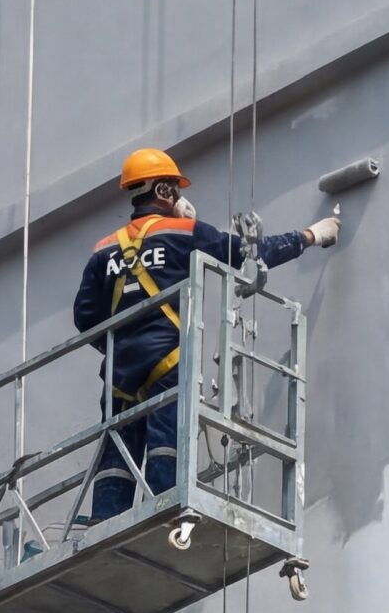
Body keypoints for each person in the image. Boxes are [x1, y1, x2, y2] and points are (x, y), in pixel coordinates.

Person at [72, 149, 339, 518]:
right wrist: (311, 235)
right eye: (176, 190)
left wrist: (123, 343)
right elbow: (250, 253)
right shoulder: (182, 232)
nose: (180, 197)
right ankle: (164, 513)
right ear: (163, 191)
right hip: (166, 360)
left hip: (119, 371)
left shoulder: (103, 250)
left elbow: (85, 318)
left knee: (117, 449)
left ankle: (105, 519)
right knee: (165, 441)